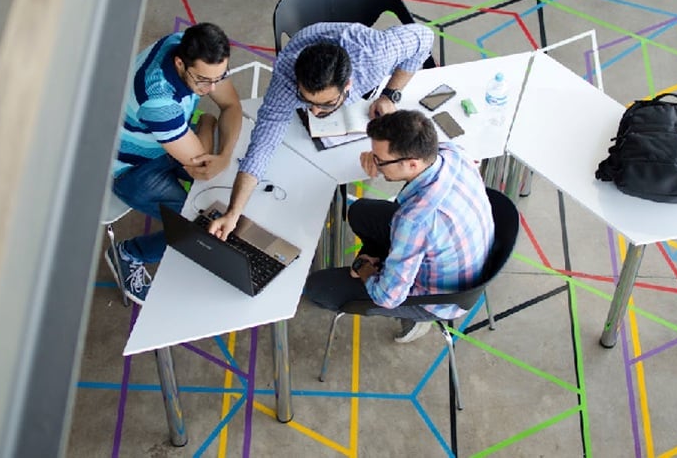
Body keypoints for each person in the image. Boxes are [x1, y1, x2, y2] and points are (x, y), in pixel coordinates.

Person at [206, 22, 434, 241]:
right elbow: (262, 145)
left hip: (359, 48)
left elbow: (425, 37)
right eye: (306, 101)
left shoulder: (375, 55)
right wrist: (234, 212)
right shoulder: (286, 77)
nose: (314, 112)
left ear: (347, 86)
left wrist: (390, 93)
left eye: (326, 104)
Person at [303, 110, 495, 343]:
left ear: (412, 164)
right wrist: (376, 157)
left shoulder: (414, 221)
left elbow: (387, 297)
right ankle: (387, 261)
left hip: (439, 298)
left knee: (316, 288)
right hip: (464, 257)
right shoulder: (452, 152)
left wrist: (365, 269)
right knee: (360, 212)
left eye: (380, 160)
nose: (375, 164)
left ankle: (414, 318)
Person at [105, 22, 242, 304]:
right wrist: (207, 123)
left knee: (226, 186)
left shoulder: (189, 45)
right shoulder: (158, 101)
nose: (212, 88)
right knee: (197, 226)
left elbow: (231, 106)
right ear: (180, 63)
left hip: (167, 142)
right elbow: (201, 168)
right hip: (131, 169)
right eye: (204, 80)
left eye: (219, 78)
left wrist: (225, 153)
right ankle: (129, 253)